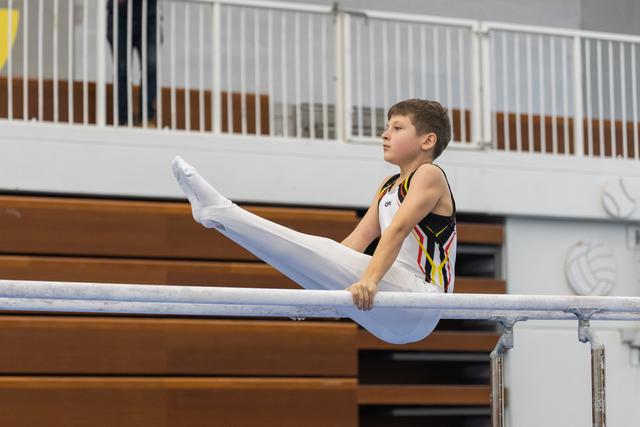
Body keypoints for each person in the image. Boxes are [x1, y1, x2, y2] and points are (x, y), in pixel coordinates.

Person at [171, 99, 457, 344]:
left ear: (427, 140)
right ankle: (219, 218)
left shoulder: (429, 174)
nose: (385, 134)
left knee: (312, 248)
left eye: (397, 128)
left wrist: (369, 280)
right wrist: (318, 290)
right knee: (315, 254)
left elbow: (397, 230)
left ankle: (221, 211)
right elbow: (355, 245)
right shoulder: (388, 186)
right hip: (389, 315)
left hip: (420, 299)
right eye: (387, 127)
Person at [107, 0, 158, 127]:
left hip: (149, 15)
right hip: (119, 15)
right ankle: (122, 119)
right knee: (121, 70)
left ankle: (147, 118)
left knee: (150, 68)